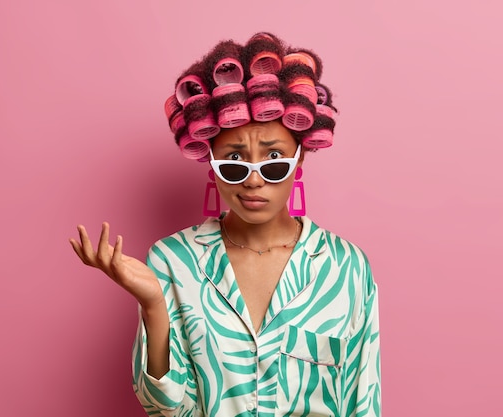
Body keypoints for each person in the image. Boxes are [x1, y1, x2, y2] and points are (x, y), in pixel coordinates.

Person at [70, 32, 381, 416]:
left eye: (274, 160)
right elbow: (165, 407)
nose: (253, 179)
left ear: (299, 161)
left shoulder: (345, 267)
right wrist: (153, 304)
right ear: (212, 167)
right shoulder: (173, 261)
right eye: (234, 162)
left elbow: (363, 401)